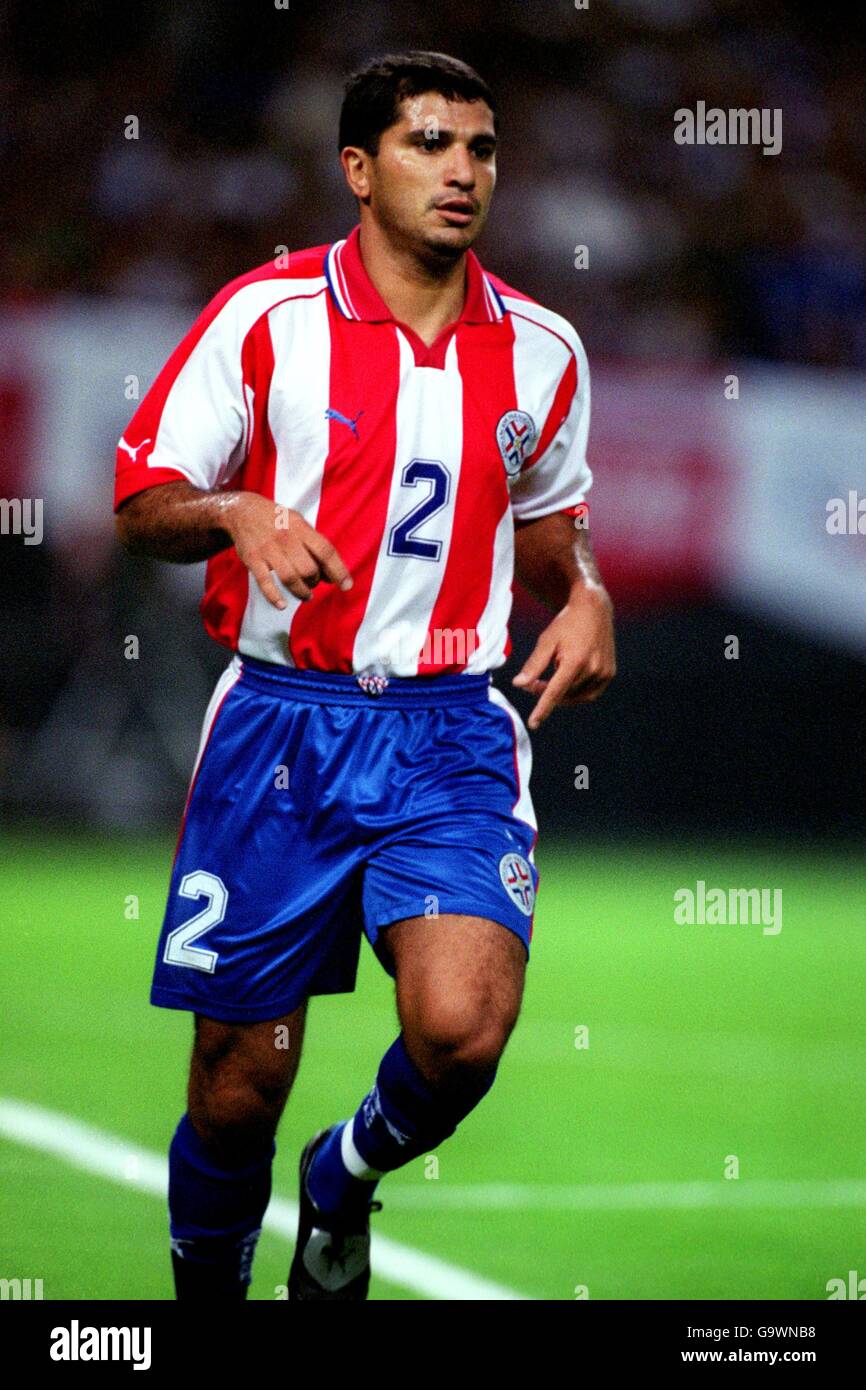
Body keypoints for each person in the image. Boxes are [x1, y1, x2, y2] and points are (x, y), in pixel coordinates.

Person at [114, 49, 616, 1301]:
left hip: (450, 731)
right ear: (357, 167)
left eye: (481, 149)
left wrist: (590, 592)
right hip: (283, 727)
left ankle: (343, 1175)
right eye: (428, 144)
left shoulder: (545, 350)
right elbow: (140, 501)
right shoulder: (268, 317)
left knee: (461, 1032)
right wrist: (234, 510)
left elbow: (552, 531)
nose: (460, 172)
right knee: (239, 1088)